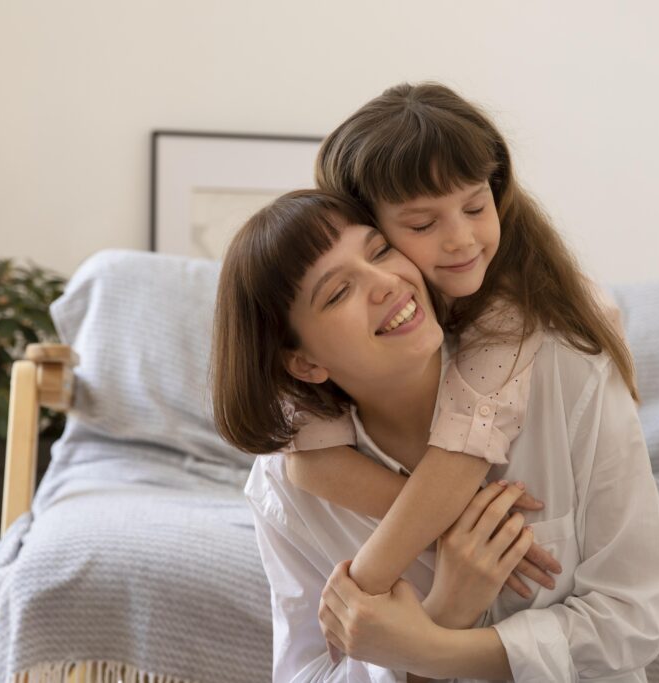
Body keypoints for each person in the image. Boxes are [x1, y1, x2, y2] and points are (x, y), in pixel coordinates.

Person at [211, 189, 659, 680]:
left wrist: (429, 647)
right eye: (338, 292)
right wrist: (447, 609)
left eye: (379, 251)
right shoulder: (284, 491)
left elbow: (634, 617)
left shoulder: (567, 371)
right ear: (306, 363)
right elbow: (307, 673)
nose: (386, 282)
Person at [236, 81, 635, 608]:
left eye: (476, 207)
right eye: (422, 224)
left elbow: (464, 447)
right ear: (360, 219)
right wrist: (453, 530)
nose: (462, 241)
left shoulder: (513, 313)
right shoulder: (343, 337)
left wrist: (364, 592)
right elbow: (307, 461)